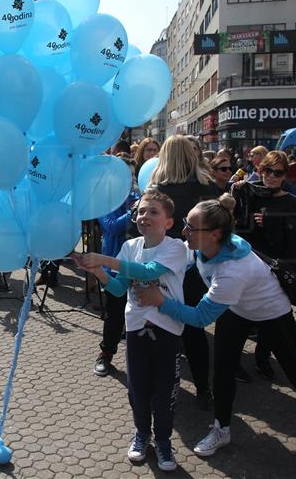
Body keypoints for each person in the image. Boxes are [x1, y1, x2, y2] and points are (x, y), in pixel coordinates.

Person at [137, 195, 296, 479]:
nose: (184, 231)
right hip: (237, 309)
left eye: (190, 227)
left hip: (272, 313)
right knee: (222, 371)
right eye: (185, 224)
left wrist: (160, 301)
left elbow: (199, 318)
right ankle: (222, 429)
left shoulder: (233, 270)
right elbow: (175, 263)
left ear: (215, 234)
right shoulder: (201, 246)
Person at [74, 189, 191, 471]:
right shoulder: (129, 247)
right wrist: (98, 272)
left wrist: (104, 260)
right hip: (136, 331)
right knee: (137, 390)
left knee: (164, 392)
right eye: (140, 211)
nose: (144, 216)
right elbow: (119, 289)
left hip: (166, 333)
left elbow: (149, 272)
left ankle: (163, 440)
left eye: (153, 212)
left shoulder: (176, 248)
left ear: (168, 222)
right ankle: (142, 434)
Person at [147, 135, 218, 409]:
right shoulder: (207, 186)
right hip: (195, 266)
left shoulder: (156, 191)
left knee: (161, 327)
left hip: (163, 266)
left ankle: (164, 388)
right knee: (193, 328)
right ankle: (203, 388)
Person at [231, 151, 296, 380]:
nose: (272, 177)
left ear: (285, 174)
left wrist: (273, 220)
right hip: (250, 265)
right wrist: (235, 191)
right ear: (260, 170)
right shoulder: (249, 193)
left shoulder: (292, 201)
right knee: (242, 316)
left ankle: (263, 358)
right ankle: (235, 362)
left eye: (278, 172)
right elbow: (235, 223)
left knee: (271, 319)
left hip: (277, 266)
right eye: (267, 171)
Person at [92, 177, 140, 377]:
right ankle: (106, 353)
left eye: (130, 177)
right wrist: (134, 212)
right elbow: (110, 226)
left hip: (138, 262)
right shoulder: (104, 202)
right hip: (114, 264)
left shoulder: (138, 198)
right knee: (115, 313)